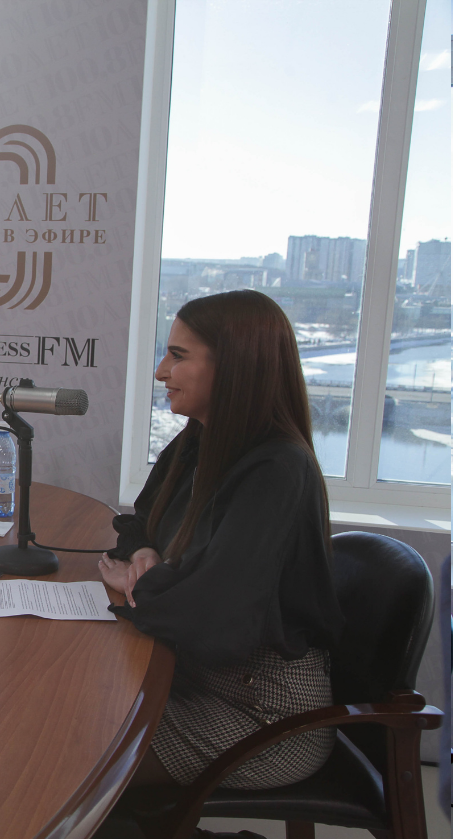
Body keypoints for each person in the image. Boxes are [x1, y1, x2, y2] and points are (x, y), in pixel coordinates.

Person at [98, 289, 344, 794]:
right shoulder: (199, 439)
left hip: (264, 715)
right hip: (196, 677)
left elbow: (219, 609)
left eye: (178, 356)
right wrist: (144, 553)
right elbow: (142, 521)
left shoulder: (277, 469)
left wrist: (141, 585)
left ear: (235, 366)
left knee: (66, 749)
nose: (161, 371)